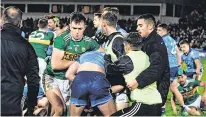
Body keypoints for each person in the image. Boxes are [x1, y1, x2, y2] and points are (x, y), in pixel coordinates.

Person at [42, 11, 100, 116]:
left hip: (68, 80)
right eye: (74, 28)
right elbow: (55, 65)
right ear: (69, 26)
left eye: (80, 29)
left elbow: (102, 54)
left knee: (64, 112)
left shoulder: (89, 42)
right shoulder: (62, 39)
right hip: (51, 77)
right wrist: (79, 59)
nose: (77, 32)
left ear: (85, 27)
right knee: (60, 109)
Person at [105, 32, 162, 116]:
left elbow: (109, 70)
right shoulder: (146, 57)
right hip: (156, 103)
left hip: (144, 104)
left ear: (127, 45)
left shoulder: (127, 59)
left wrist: (107, 58)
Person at [125, 14, 170, 116]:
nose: (137, 28)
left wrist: (138, 81)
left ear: (150, 26)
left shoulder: (154, 44)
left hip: (152, 96)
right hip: (148, 94)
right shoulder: (148, 41)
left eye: (140, 25)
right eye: (137, 26)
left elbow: (156, 68)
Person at [1, 6, 40, 116]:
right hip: (12, 104)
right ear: (21, 23)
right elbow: (33, 80)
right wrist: (31, 106)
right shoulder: (27, 47)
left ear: (3, 20)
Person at [65, 49, 116, 116]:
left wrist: (83, 83)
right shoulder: (105, 55)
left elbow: (68, 75)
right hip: (98, 79)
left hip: (80, 79)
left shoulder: (82, 56)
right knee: (112, 115)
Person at [157, 23, 188, 116]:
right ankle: (183, 108)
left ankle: (162, 112)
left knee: (162, 88)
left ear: (163, 30)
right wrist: (178, 66)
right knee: (174, 88)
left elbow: (163, 54)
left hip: (167, 67)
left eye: (158, 30)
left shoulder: (162, 40)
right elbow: (178, 53)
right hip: (174, 67)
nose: (157, 32)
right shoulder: (172, 40)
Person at [102, 11, 129, 111]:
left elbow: (125, 65)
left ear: (104, 24)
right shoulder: (110, 39)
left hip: (120, 90)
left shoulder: (118, 40)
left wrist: (108, 65)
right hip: (112, 87)